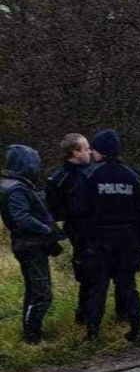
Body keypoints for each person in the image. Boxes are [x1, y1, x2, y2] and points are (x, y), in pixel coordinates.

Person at [75, 130, 140, 343]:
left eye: (94, 149)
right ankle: (137, 328)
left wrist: (84, 240)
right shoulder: (131, 176)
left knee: (97, 287)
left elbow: (81, 211)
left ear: (101, 152)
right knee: (127, 286)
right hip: (128, 239)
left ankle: (92, 333)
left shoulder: (89, 175)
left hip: (99, 240)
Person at [1, 145, 64, 344]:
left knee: (35, 291)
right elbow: (22, 218)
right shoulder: (16, 188)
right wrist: (47, 230)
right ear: (25, 163)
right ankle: (32, 337)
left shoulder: (18, 185)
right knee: (41, 294)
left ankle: (32, 334)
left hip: (30, 244)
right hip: (30, 245)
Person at [45, 133, 92, 325]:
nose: (89, 151)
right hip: (78, 229)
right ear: (75, 152)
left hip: (96, 227)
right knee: (86, 269)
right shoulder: (60, 179)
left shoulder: (93, 172)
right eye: (85, 148)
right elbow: (53, 210)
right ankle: (84, 313)